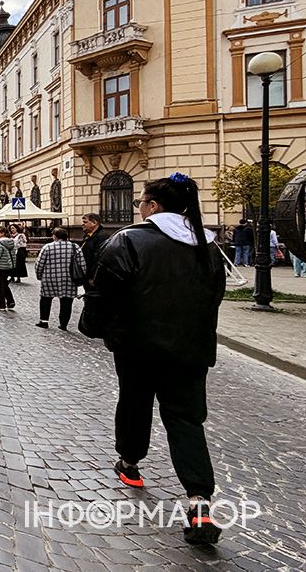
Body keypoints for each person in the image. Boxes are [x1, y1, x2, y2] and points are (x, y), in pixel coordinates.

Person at [90, 172, 226, 546]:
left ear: (152, 206)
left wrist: (97, 327)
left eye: (141, 202)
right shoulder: (207, 246)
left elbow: (104, 293)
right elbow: (213, 298)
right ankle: (199, 502)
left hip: (138, 347)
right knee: (186, 419)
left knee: (135, 403)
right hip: (190, 351)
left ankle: (130, 464)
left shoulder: (130, 240)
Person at [34, 228, 86, 331]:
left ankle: (44, 321)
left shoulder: (47, 247)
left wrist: (39, 276)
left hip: (49, 278)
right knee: (66, 301)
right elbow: (82, 264)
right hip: (69, 279)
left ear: (55, 236)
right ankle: (63, 324)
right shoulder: (74, 247)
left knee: (46, 298)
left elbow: (39, 264)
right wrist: (81, 278)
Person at [0, 225, 17, 310]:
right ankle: (10, 300)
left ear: (3, 233)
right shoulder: (10, 242)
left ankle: (1, 303)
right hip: (8, 266)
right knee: (4, 283)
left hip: (0, 266)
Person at [80, 213, 107, 287]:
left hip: (94, 277)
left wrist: (93, 277)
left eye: (85, 222)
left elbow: (99, 258)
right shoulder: (88, 235)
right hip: (86, 274)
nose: (82, 225)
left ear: (94, 223)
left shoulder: (102, 236)